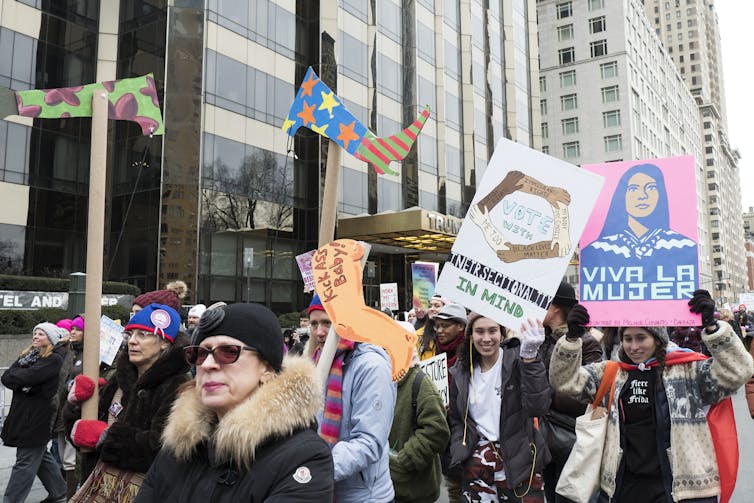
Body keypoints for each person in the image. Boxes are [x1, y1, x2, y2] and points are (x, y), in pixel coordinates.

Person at [549, 290, 754, 502]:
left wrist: (713, 327)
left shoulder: (688, 370)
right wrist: (571, 339)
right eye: (627, 339)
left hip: (683, 489)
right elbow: (564, 381)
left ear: (657, 339)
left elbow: (739, 370)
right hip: (624, 487)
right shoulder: (611, 373)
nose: (634, 346)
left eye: (641, 338)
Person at [135, 302, 334, 501]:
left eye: (228, 351)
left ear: (266, 368)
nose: (208, 364)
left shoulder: (304, 457)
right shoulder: (180, 443)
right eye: (201, 353)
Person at [64, 303, 190, 499]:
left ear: (165, 342)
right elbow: (83, 436)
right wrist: (75, 405)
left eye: (143, 334)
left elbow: (164, 450)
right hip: (97, 483)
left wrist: (107, 437)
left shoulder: (179, 385)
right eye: (129, 334)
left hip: (146, 493)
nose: (132, 341)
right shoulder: (118, 378)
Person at [446, 314, 550, 502]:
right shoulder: (462, 370)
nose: (486, 338)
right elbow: (457, 420)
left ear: (501, 334)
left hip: (519, 462)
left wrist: (530, 360)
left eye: (492, 331)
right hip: (478, 465)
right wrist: (460, 451)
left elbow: (539, 406)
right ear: (470, 336)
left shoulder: (517, 360)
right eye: (479, 331)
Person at [305, 294, 396, 502]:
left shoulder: (372, 366)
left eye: (327, 323)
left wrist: (314, 470)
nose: (319, 332)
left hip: (364, 497)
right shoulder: (314, 362)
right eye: (314, 324)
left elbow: (368, 441)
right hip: (322, 490)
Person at [580, 163, 698, 303]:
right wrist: (579, 324)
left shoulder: (685, 247)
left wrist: (709, 323)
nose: (643, 196)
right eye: (633, 189)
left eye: (651, 188)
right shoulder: (595, 251)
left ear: (661, 194)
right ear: (622, 196)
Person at [538, 281, 604, 503]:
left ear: (556, 308)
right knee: (550, 492)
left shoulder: (587, 343)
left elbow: (590, 391)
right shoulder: (541, 339)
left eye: (542, 302)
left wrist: (547, 394)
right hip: (545, 432)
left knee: (569, 496)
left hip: (571, 433)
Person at [2, 322, 67, 503]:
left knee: (24, 462)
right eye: (35, 333)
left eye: (41, 334)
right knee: (39, 456)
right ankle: (59, 491)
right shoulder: (28, 356)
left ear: (51, 339)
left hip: (37, 418)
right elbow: (6, 377)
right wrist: (24, 383)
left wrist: (23, 381)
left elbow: (29, 377)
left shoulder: (54, 359)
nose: (36, 336)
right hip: (21, 415)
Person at [388, 323, 450, 503]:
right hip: (384, 489)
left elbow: (436, 431)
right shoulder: (379, 380)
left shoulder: (420, 383)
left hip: (415, 491)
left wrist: (403, 462)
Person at [433, 302, 467, 371]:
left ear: (461, 326)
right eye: (437, 326)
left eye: (445, 326)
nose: (439, 331)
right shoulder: (436, 348)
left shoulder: (471, 353)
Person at [416, 295, 446, 360]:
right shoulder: (418, 334)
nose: (432, 309)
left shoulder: (452, 332)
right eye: (429, 306)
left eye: (437, 306)